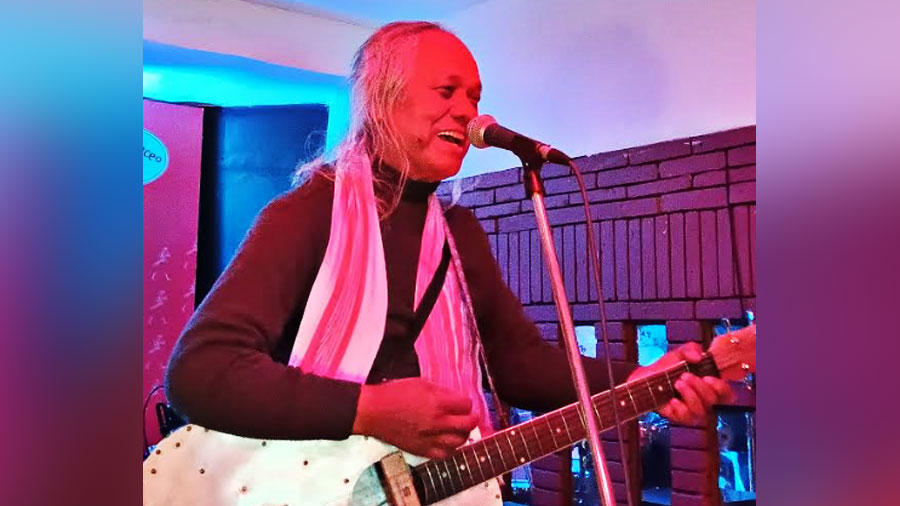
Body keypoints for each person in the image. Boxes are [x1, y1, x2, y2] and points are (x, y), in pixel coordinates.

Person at [165, 21, 733, 465]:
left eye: (474, 95)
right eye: (447, 91)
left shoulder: (459, 231)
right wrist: (366, 411)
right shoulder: (308, 212)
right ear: (383, 99)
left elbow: (516, 363)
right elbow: (201, 369)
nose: (468, 111)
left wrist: (635, 379)